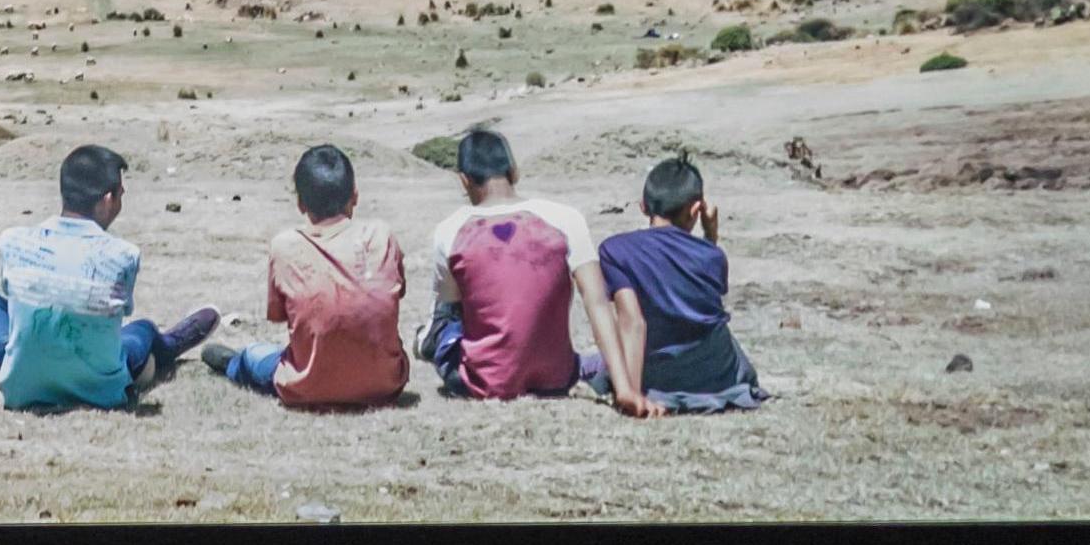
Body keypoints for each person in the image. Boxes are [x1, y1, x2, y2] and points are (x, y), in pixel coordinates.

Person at [0, 144, 216, 409]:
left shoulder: (13, 240)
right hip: (99, 390)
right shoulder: (123, 255)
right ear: (108, 199)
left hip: (24, 388)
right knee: (142, 330)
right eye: (120, 195)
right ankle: (168, 346)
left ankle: (22, 361)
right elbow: (118, 315)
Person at [199, 143, 406, 407]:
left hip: (308, 387)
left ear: (300, 203)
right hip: (386, 383)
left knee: (255, 355)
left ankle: (233, 364)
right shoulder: (382, 236)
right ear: (355, 196)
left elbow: (280, 316)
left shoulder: (286, 246)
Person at [422, 127, 608, 400]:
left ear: (464, 180)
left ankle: (426, 339)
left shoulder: (451, 229)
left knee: (446, 315)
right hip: (558, 376)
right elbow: (597, 300)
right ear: (514, 171)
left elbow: (450, 303)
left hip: (485, 383)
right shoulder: (565, 218)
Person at [594, 155, 766, 415]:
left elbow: (632, 320)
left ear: (643, 206)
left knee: (596, 364)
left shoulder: (616, 250)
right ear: (697, 210)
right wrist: (710, 237)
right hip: (717, 377)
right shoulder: (712, 256)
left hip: (657, 377)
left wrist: (631, 391)